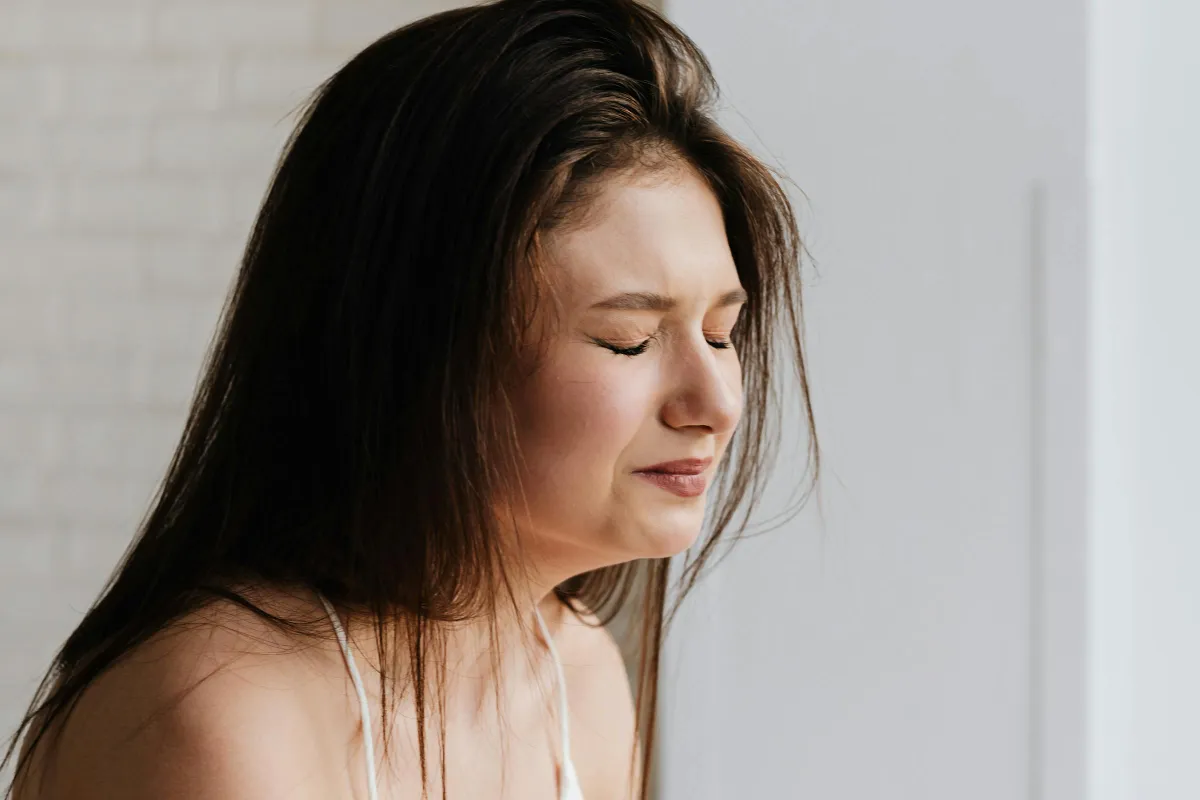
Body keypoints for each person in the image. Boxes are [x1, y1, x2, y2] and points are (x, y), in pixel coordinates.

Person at [2, 0, 818, 797]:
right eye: (628, 340)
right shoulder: (222, 716)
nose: (716, 403)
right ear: (420, 349)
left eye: (721, 333)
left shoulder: (580, 676)